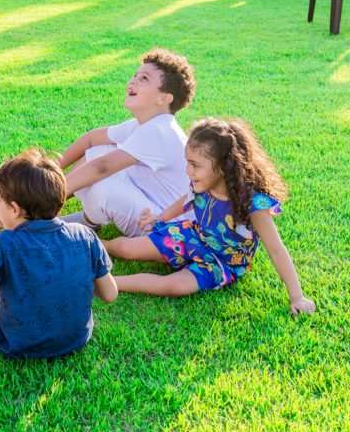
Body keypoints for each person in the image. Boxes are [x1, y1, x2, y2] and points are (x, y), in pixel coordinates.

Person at [104, 117, 316, 315]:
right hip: (194, 237)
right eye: (187, 162)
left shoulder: (254, 204)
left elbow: (277, 251)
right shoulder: (202, 184)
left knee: (176, 285)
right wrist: (160, 218)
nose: (188, 170)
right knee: (126, 248)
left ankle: (110, 283)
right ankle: (93, 245)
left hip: (222, 262)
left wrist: (297, 297)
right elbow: (185, 200)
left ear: (224, 167)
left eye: (195, 165)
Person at [0, 149, 119, 359]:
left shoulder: (7, 243)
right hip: (77, 339)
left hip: (20, 345)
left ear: (14, 209)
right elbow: (110, 294)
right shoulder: (85, 236)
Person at [58, 48, 195, 237]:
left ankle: (75, 218)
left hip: (167, 229)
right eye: (135, 75)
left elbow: (101, 167)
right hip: (151, 207)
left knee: (104, 185)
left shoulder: (158, 131)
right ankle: (85, 218)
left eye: (144, 79)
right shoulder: (144, 125)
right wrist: (51, 169)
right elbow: (92, 138)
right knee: (101, 149)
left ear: (164, 98)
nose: (133, 81)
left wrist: (46, 196)